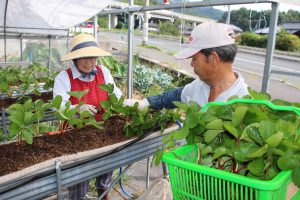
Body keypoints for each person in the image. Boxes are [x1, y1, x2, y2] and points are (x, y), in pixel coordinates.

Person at [53, 33, 122, 200]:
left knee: (106, 174)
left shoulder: (103, 72)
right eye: (83, 58)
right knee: (79, 180)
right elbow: (59, 107)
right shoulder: (64, 78)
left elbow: (117, 95)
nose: (89, 62)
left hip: (104, 132)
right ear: (75, 59)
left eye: (92, 57)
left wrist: (124, 105)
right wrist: (77, 108)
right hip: (77, 136)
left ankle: (103, 193)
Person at [124, 22, 249, 110]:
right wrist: (145, 103)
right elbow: (173, 96)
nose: (192, 63)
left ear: (213, 58)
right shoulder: (199, 86)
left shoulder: (245, 100)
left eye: (194, 58)